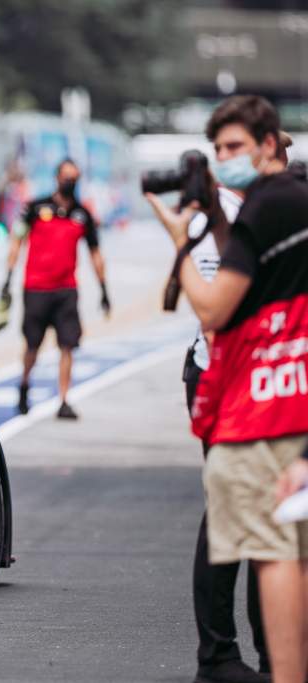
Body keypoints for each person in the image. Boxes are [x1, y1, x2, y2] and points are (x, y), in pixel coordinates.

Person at [155, 95, 308, 683]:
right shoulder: (223, 213)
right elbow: (214, 308)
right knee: (242, 517)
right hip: (227, 377)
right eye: (219, 151)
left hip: (270, 378)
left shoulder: (271, 205)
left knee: (270, 527)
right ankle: (221, 654)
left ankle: (268, 658)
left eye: (235, 147)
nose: (226, 160)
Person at [5, 159, 110, 419]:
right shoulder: (35, 208)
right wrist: (8, 277)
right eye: (66, 177)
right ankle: (24, 385)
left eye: (74, 177)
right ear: (56, 178)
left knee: (67, 346)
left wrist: (104, 288)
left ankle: (64, 399)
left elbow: (95, 253)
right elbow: (17, 241)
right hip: (36, 288)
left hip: (66, 289)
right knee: (32, 345)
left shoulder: (82, 215)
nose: (69, 182)